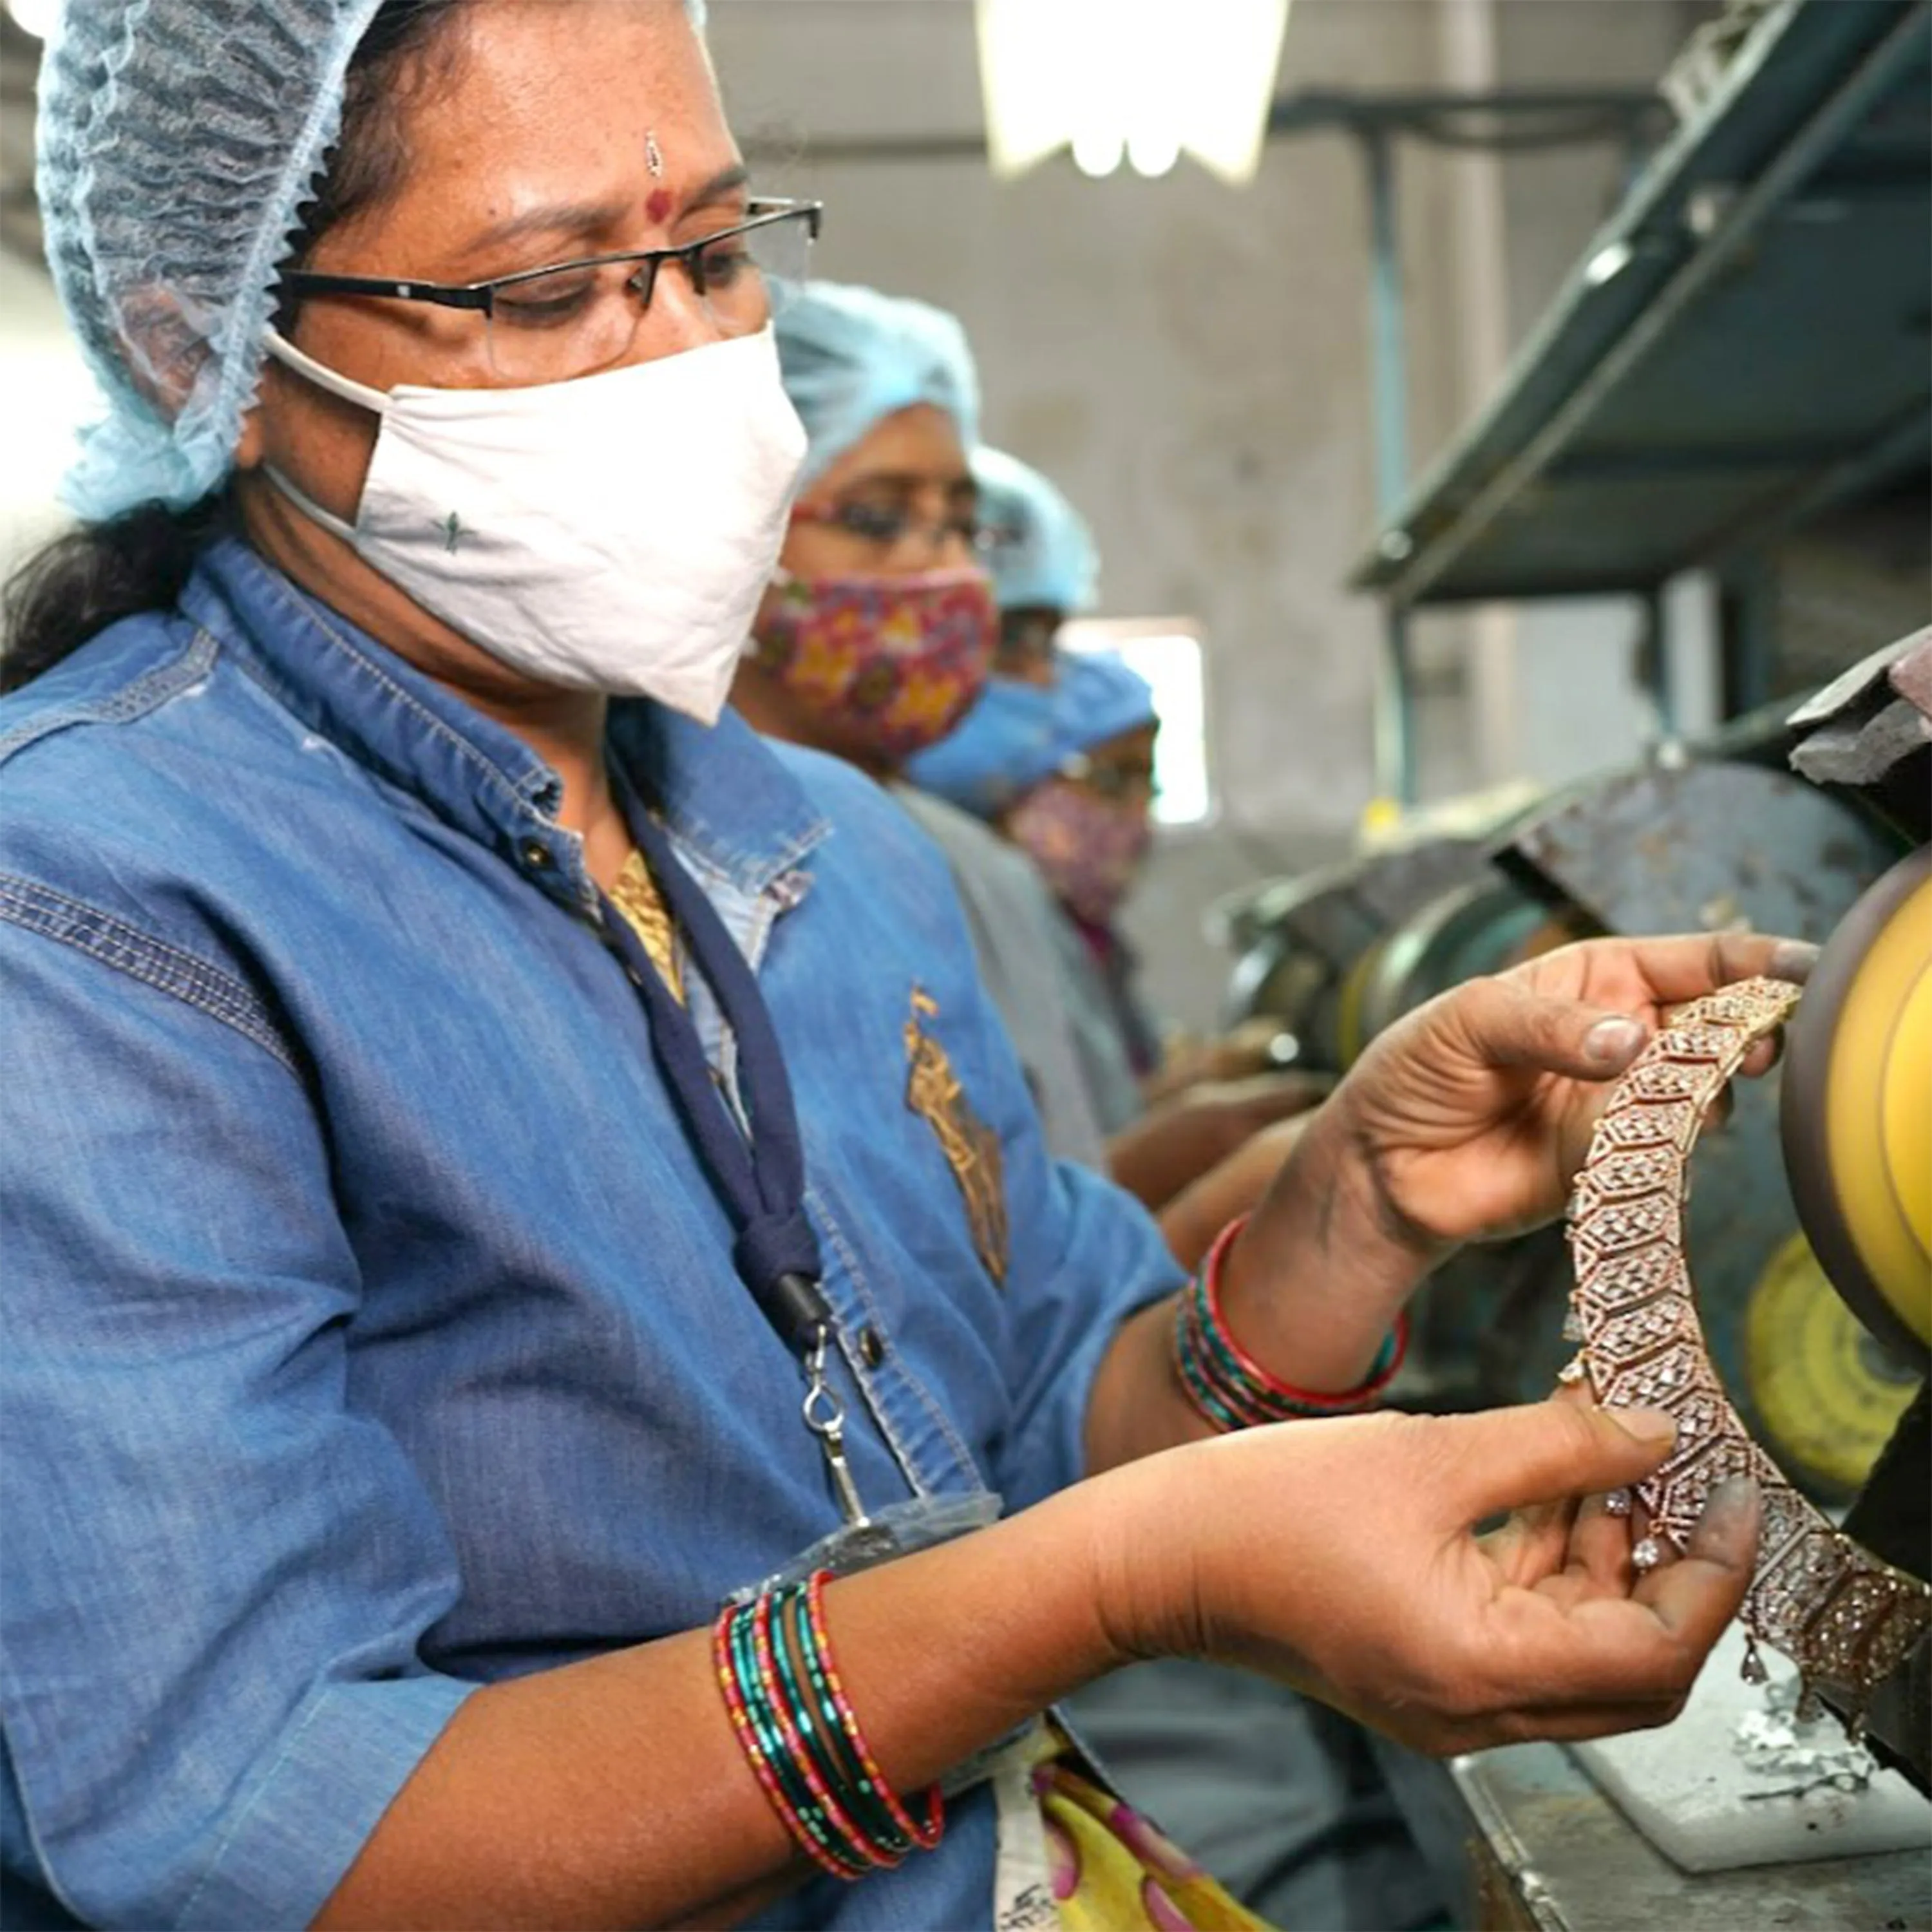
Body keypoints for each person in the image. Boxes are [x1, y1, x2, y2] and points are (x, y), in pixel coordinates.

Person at [1, 4, 1796, 1928]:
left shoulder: (815, 848)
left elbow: (1044, 1420)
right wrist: (1116, 1584)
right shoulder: (99, 913)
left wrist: (1347, 1207)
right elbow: (260, 1820)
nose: (691, 351)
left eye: (709, 249)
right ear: (215, 352)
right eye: (551, 289)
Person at [735, 281, 1323, 1237]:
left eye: (963, 527)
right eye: (883, 519)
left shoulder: (957, 868)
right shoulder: (688, 857)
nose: (946, 575)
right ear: (737, 520)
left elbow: (1038, 1258)